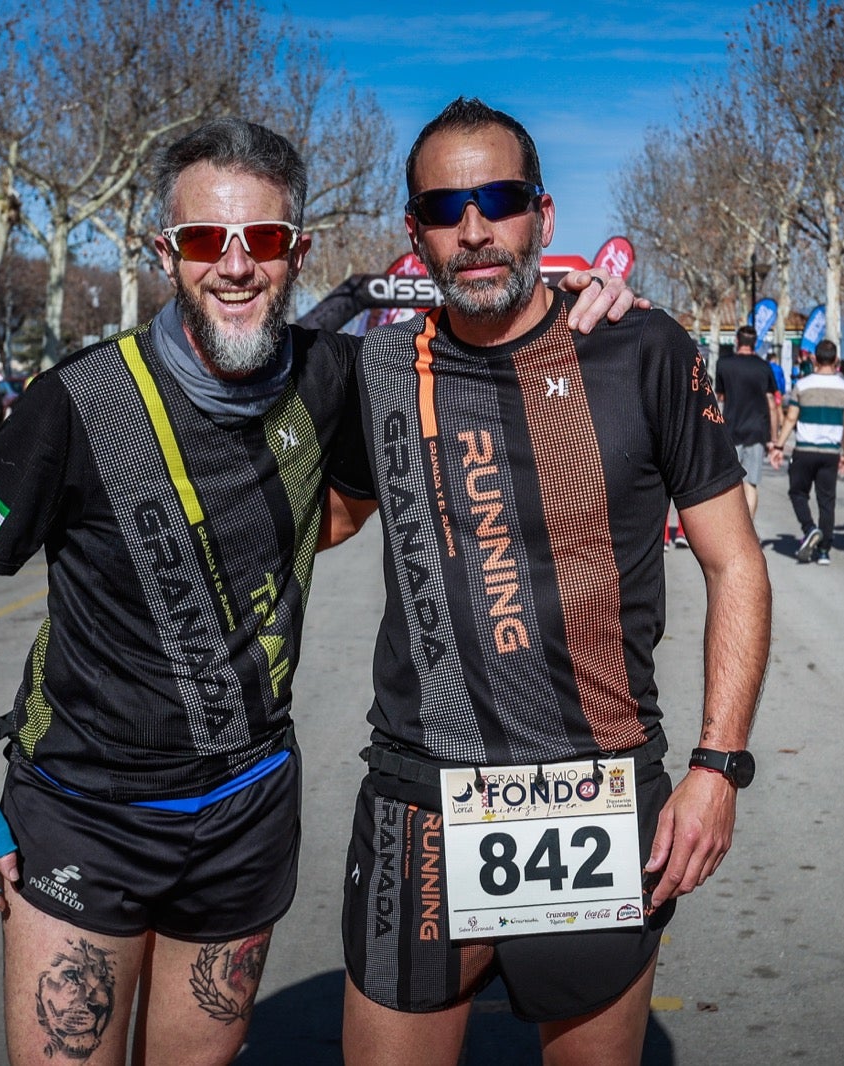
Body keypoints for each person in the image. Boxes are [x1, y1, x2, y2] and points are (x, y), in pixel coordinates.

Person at [0, 117, 639, 1066]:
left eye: (260, 238)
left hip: (245, 809)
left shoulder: (334, 374)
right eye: (205, 240)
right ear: (165, 254)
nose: (234, 265)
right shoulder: (78, 401)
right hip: (83, 807)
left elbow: (475, 345)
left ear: (295, 252)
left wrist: (583, 299)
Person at [327, 98, 771, 1066]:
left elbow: (735, 561)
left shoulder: (642, 348)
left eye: (499, 200)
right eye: (444, 209)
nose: (474, 229)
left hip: (595, 790)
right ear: (414, 232)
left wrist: (718, 767)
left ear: (543, 214)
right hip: (420, 791)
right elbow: (324, 518)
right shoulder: (380, 366)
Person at [770, 339, 844, 564]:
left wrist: (779, 446)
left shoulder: (802, 385)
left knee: (798, 493)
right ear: (836, 360)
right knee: (827, 501)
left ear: (815, 359)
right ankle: (824, 550)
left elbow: (791, 419)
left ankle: (809, 529)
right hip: (830, 452)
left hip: (805, 449)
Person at [714, 322, 781, 521]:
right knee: (750, 484)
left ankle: (731, 525)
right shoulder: (764, 367)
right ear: (755, 343)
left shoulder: (724, 364)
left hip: (730, 430)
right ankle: (748, 528)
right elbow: (772, 403)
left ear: (737, 341)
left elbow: (720, 398)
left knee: (729, 484)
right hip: (757, 431)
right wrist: (774, 439)